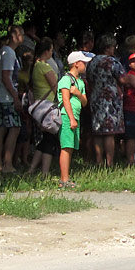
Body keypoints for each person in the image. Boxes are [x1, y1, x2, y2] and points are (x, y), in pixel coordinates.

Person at [86, 34, 135, 168]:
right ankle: (109, 162)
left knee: (98, 131)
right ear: (108, 47)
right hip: (110, 100)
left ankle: (99, 161)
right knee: (109, 132)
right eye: (113, 47)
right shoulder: (112, 62)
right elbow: (123, 80)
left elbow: (89, 79)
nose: (114, 49)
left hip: (96, 98)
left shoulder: (92, 62)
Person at [26, 38, 60, 176]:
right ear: (46, 51)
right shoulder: (45, 67)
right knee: (50, 139)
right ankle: (45, 172)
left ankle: (32, 169)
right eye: (51, 50)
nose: (52, 52)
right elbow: (55, 85)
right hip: (48, 107)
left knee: (45, 138)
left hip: (40, 106)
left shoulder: (35, 66)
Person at [0, 26, 24, 174]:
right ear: (16, 35)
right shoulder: (9, 53)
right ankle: (7, 163)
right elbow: (6, 77)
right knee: (14, 128)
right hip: (7, 97)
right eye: (21, 34)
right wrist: (15, 97)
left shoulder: (3, 51)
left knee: (1, 128)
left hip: (0, 96)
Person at [57, 51, 89, 188]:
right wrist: (71, 119)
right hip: (67, 117)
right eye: (84, 63)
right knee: (66, 147)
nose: (86, 65)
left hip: (76, 116)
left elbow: (85, 102)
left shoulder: (80, 82)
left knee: (71, 147)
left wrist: (77, 93)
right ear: (76, 64)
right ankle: (64, 179)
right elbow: (65, 100)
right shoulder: (65, 80)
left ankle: (66, 177)